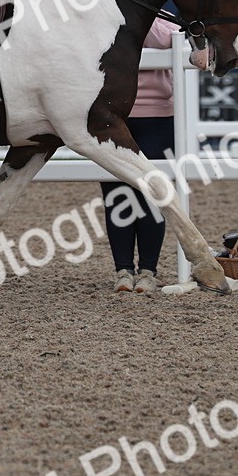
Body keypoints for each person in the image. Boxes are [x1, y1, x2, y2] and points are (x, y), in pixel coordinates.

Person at [102, 19, 176, 294]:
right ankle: (123, 270)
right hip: (111, 114)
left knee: (153, 196)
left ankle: (148, 270)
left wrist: (145, 13)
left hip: (157, 118)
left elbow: (168, 39)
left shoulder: (164, 21)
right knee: (116, 196)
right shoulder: (104, 13)